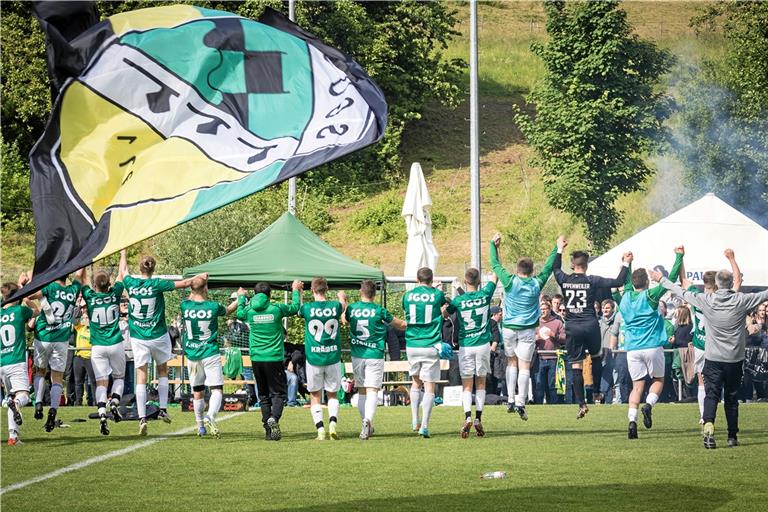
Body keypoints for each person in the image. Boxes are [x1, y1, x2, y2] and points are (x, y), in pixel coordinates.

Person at [654, 252, 767, 449]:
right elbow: (764, 294)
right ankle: (732, 436)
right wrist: (732, 259)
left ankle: (708, 427)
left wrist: (661, 279)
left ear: (716, 283)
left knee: (711, 395)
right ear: (730, 282)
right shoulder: (741, 300)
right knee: (731, 397)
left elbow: (681, 291)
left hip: (713, 358)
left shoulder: (706, 300)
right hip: (734, 359)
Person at [120, 253, 198, 436]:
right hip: (158, 334)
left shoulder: (131, 283)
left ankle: (141, 417)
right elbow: (185, 284)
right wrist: (200, 277)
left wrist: (123, 252)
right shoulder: (157, 284)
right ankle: (162, 408)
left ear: (140, 268)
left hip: (139, 336)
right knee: (162, 370)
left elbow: (123, 271)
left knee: (141, 374)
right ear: (153, 269)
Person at [553, 238, 631, 419]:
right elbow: (619, 281)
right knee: (596, 357)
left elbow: (555, 269)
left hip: (572, 327)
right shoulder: (592, 280)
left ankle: (581, 404)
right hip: (590, 324)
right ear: (586, 265)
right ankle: (596, 392)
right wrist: (626, 263)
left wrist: (559, 249)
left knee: (576, 366)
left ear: (573, 265)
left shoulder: (565, 279)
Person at [490, 233, 558, 421]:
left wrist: (492, 245)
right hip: (528, 329)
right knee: (525, 366)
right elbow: (549, 267)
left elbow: (495, 265)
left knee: (511, 362)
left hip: (510, 328)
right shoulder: (537, 283)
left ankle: (511, 399)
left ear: (517, 269)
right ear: (532, 269)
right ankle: (521, 401)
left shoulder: (510, 281)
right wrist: (557, 248)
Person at [617, 248, 682, 439]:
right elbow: (670, 279)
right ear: (646, 282)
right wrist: (679, 256)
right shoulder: (651, 296)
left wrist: (626, 263)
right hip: (652, 346)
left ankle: (632, 421)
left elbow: (626, 283)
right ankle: (648, 405)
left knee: (636, 387)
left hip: (632, 349)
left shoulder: (626, 297)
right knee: (658, 381)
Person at [678, 250, 741, 423]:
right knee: (723, 384)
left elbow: (683, 280)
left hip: (700, 345)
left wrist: (680, 258)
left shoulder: (699, 298)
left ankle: (703, 416)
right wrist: (732, 259)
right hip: (718, 347)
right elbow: (737, 281)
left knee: (702, 381)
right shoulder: (725, 299)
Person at [237, 279, 302, 440]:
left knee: (264, 395)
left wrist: (240, 297)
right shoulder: (276, 308)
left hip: (257, 358)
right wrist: (295, 290)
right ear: (269, 294)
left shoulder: (249, 310)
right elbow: (295, 308)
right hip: (273, 358)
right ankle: (274, 417)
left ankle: (268, 431)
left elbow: (239, 313)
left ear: (255, 293)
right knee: (278, 393)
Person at [344, 280, 405, 440]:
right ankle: (367, 421)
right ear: (375, 294)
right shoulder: (379, 310)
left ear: (360, 292)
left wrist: (343, 302)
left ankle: (366, 424)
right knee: (373, 390)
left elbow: (344, 320)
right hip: (375, 355)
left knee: (362, 390)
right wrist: (411, 323)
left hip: (358, 354)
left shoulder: (352, 308)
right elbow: (399, 324)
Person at [28, 267, 85, 432]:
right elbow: (80, 276)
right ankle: (53, 410)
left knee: (40, 372)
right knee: (57, 378)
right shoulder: (73, 289)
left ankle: (38, 403)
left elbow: (30, 294)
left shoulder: (50, 287)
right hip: (61, 339)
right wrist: (82, 259)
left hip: (43, 336)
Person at [181, 274, 237, 438]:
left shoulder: (185, 305)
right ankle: (210, 416)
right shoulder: (212, 306)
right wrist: (240, 298)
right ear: (206, 288)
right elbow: (228, 310)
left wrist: (198, 280)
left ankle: (200, 426)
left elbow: (193, 293)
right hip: (210, 352)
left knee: (197, 391)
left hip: (192, 354)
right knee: (217, 389)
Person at [444, 268, 497, 438]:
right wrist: (496, 249)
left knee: (467, 385)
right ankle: (478, 418)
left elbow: (445, 313)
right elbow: (496, 275)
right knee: (481, 383)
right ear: (479, 281)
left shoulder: (459, 300)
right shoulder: (485, 294)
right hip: (482, 344)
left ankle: (467, 416)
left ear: (465, 282)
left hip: (466, 345)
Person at [82, 258, 128, 435]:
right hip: (115, 342)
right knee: (119, 378)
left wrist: (84, 259)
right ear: (108, 284)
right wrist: (123, 252)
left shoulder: (90, 296)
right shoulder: (114, 294)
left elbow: (82, 279)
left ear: (94, 286)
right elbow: (121, 274)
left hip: (98, 346)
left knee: (101, 382)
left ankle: (102, 413)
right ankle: (115, 402)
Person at [299, 277, 346, 440]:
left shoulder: (307, 308)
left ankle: (320, 429)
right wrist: (341, 297)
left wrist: (298, 292)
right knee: (332, 394)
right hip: (332, 356)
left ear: (312, 290)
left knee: (315, 395)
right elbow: (342, 306)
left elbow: (298, 310)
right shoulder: (335, 306)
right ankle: (333, 423)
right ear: (327, 289)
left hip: (314, 357)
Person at [402, 267, 448, 438]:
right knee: (429, 386)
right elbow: (443, 307)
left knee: (415, 382)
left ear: (417, 279)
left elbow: (406, 311)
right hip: (430, 343)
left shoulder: (407, 295)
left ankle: (415, 420)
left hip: (412, 343)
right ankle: (425, 426)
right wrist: (437, 289)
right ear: (432, 279)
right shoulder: (436, 294)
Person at [1, 276, 40, 445]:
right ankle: (16, 404)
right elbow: (37, 311)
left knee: (10, 397)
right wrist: (25, 297)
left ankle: (13, 437)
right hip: (16, 360)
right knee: (22, 396)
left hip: (2, 362)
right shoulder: (20, 311)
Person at [534, 299, 565, 404]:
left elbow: (564, 338)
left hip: (553, 358)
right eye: (541, 309)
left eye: (544, 309)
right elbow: (528, 338)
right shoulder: (535, 323)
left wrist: (554, 335)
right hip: (539, 358)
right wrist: (536, 338)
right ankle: (538, 406)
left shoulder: (557, 322)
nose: (542, 311)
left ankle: (553, 406)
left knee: (552, 385)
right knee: (539, 385)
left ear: (550, 309)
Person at [72, 307, 96, 407]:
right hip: (79, 357)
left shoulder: (94, 329)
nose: (84, 320)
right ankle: (78, 401)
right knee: (78, 381)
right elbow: (73, 320)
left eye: (87, 318)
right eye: (83, 318)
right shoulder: (80, 327)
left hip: (90, 358)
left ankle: (96, 401)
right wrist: (78, 306)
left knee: (93, 381)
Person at [598, 300, 617, 403]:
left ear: (613, 309)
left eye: (608, 308)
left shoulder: (615, 322)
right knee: (603, 379)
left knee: (608, 379)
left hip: (611, 353)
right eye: (603, 308)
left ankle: (607, 401)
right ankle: (604, 402)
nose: (605, 310)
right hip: (600, 353)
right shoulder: (599, 322)